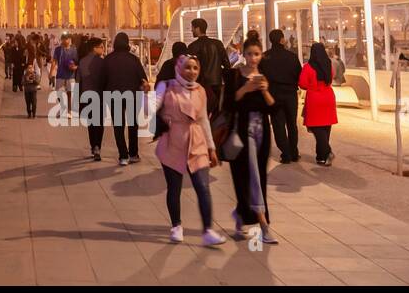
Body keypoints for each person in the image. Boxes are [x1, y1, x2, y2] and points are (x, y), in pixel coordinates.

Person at [148, 53, 226, 245]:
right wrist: (146, 95)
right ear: (179, 68)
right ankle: (176, 225)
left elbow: (203, 120)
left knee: (203, 187)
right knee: (174, 188)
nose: (192, 72)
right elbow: (149, 109)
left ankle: (208, 230)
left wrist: (211, 148)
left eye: (195, 68)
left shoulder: (200, 90)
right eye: (188, 67)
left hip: (196, 141)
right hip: (173, 141)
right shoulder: (166, 87)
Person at [222, 38, 278, 244]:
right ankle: (263, 224)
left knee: (257, 175)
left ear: (261, 55)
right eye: (249, 54)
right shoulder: (235, 75)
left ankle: (240, 215)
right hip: (242, 130)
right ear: (243, 55)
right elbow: (228, 102)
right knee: (251, 174)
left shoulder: (266, 76)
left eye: (257, 54)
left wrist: (264, 90)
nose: (253, 58)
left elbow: (273, 107)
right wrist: (244, 89)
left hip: (262, 129)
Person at [103, 32, 150, 165]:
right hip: (132, 95)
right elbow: (143, 78)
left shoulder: (108, 59)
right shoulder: (133, 59)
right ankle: (134, 154)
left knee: (118, 126)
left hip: (114, 95)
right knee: (133, 125)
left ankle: (123, 156)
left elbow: (103, 78)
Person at [262, 29, 302, 163]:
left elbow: (261, 76)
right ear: (282, 40)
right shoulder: (292, 56)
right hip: (290, 94)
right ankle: (294, 152)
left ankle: (285, 153)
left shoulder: (265, 57)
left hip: (273, 94)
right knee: (292, 124)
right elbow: (299, 74)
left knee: (278, 124)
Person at [300, 42, 338, 166]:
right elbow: (332, 77)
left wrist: (312, 86)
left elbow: (302, 84)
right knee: (326, 127)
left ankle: (328, 152)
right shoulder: (329, 65)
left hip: (315, 98)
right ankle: (321, 157)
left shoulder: (308, 67)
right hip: (328, 97)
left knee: (316, 127)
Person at [186, 18, 231, 118]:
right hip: (217, 84)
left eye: (192, 28)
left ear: (197, 29)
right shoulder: (218, 44)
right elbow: (227, 64)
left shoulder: (192, 47)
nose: (191, 30)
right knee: (216, 113)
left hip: (201, 85)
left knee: (202, 114)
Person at [76, 37, 107, 161]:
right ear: (95, 48)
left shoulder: (82, 61)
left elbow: (78, 81)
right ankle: (97, 147)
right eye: (101, 46)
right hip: (99, 96)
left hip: (86, 95)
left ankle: (93, 146)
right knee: (99, 123)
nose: (103, 49)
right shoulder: (102, 62)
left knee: (91, 123)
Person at [54, 34, 78, 117]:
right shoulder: (58, 49)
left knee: (70, 94)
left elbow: (77, 61)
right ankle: (62, 108)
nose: (64, 41)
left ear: (70, 39)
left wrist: (75, 67)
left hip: (70, 75)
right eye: (63, 39)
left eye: (66, 39)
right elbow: (54, 60)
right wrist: (51, 72)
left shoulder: (74, 50)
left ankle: (69, 111)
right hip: (60, 74)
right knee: (58, 93)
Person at [23, 47, 41, 118]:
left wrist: (33, 80)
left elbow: (37, 83)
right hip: (27, 91)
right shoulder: (25, 75)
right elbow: (22, 83)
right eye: (29, 68)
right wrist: (27, 80)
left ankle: (34, 114)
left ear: (33, 69)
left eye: (31, 68)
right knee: (28, 103)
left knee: (34, 103)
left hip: (33, 91)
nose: (30, 69)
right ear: (27, 69)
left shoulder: (35, 74)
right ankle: (29, 113)